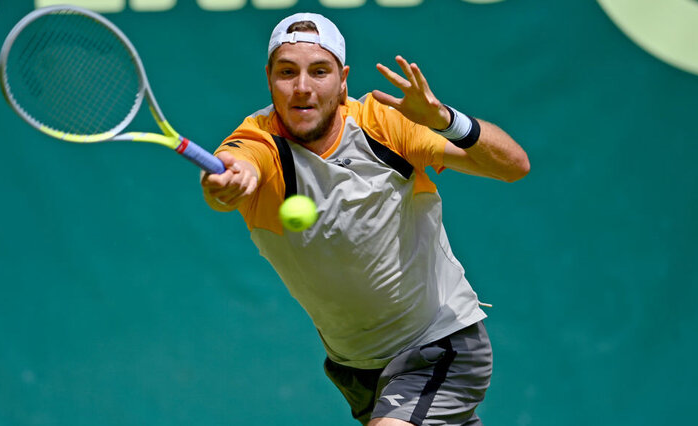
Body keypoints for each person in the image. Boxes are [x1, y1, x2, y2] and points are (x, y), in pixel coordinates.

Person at [201, 12, 529, 426]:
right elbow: (236, 166)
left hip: (438, 342)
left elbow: (513, 165)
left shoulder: (384, 125)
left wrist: (445, 121)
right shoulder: (258, 140)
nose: (302, 87)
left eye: (319, 71)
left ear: (343, 82)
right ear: (270, 78)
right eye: (288, 72)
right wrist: (226, 182)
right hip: (357, 368)